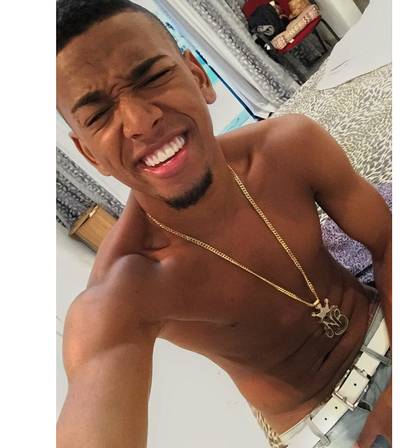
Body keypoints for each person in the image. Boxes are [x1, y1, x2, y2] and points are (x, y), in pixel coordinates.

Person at [56, 1, 392, 447]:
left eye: (152, 77)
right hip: (324, 425)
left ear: (198, 76)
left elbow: (388, 240)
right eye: (99, 115)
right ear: (89, 154)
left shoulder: (289, 147)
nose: (140, 122)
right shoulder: (123, 292)